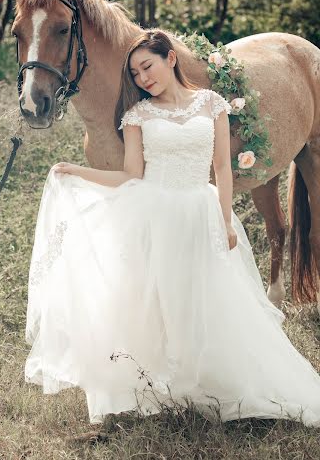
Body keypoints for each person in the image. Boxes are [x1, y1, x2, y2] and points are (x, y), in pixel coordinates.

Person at [24, 30, 320, 427]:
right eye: (136, 73)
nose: (144, 78)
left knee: (208, 297)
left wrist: (225, 218)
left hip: (199, 208)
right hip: (155, 212)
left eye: (148, 66)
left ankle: (214, 379)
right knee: (154, 299)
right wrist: (73, 171)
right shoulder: (137, 116)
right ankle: (162, 383)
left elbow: (221, 168)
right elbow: (131, 175)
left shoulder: (212, 104)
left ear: (171, 59)